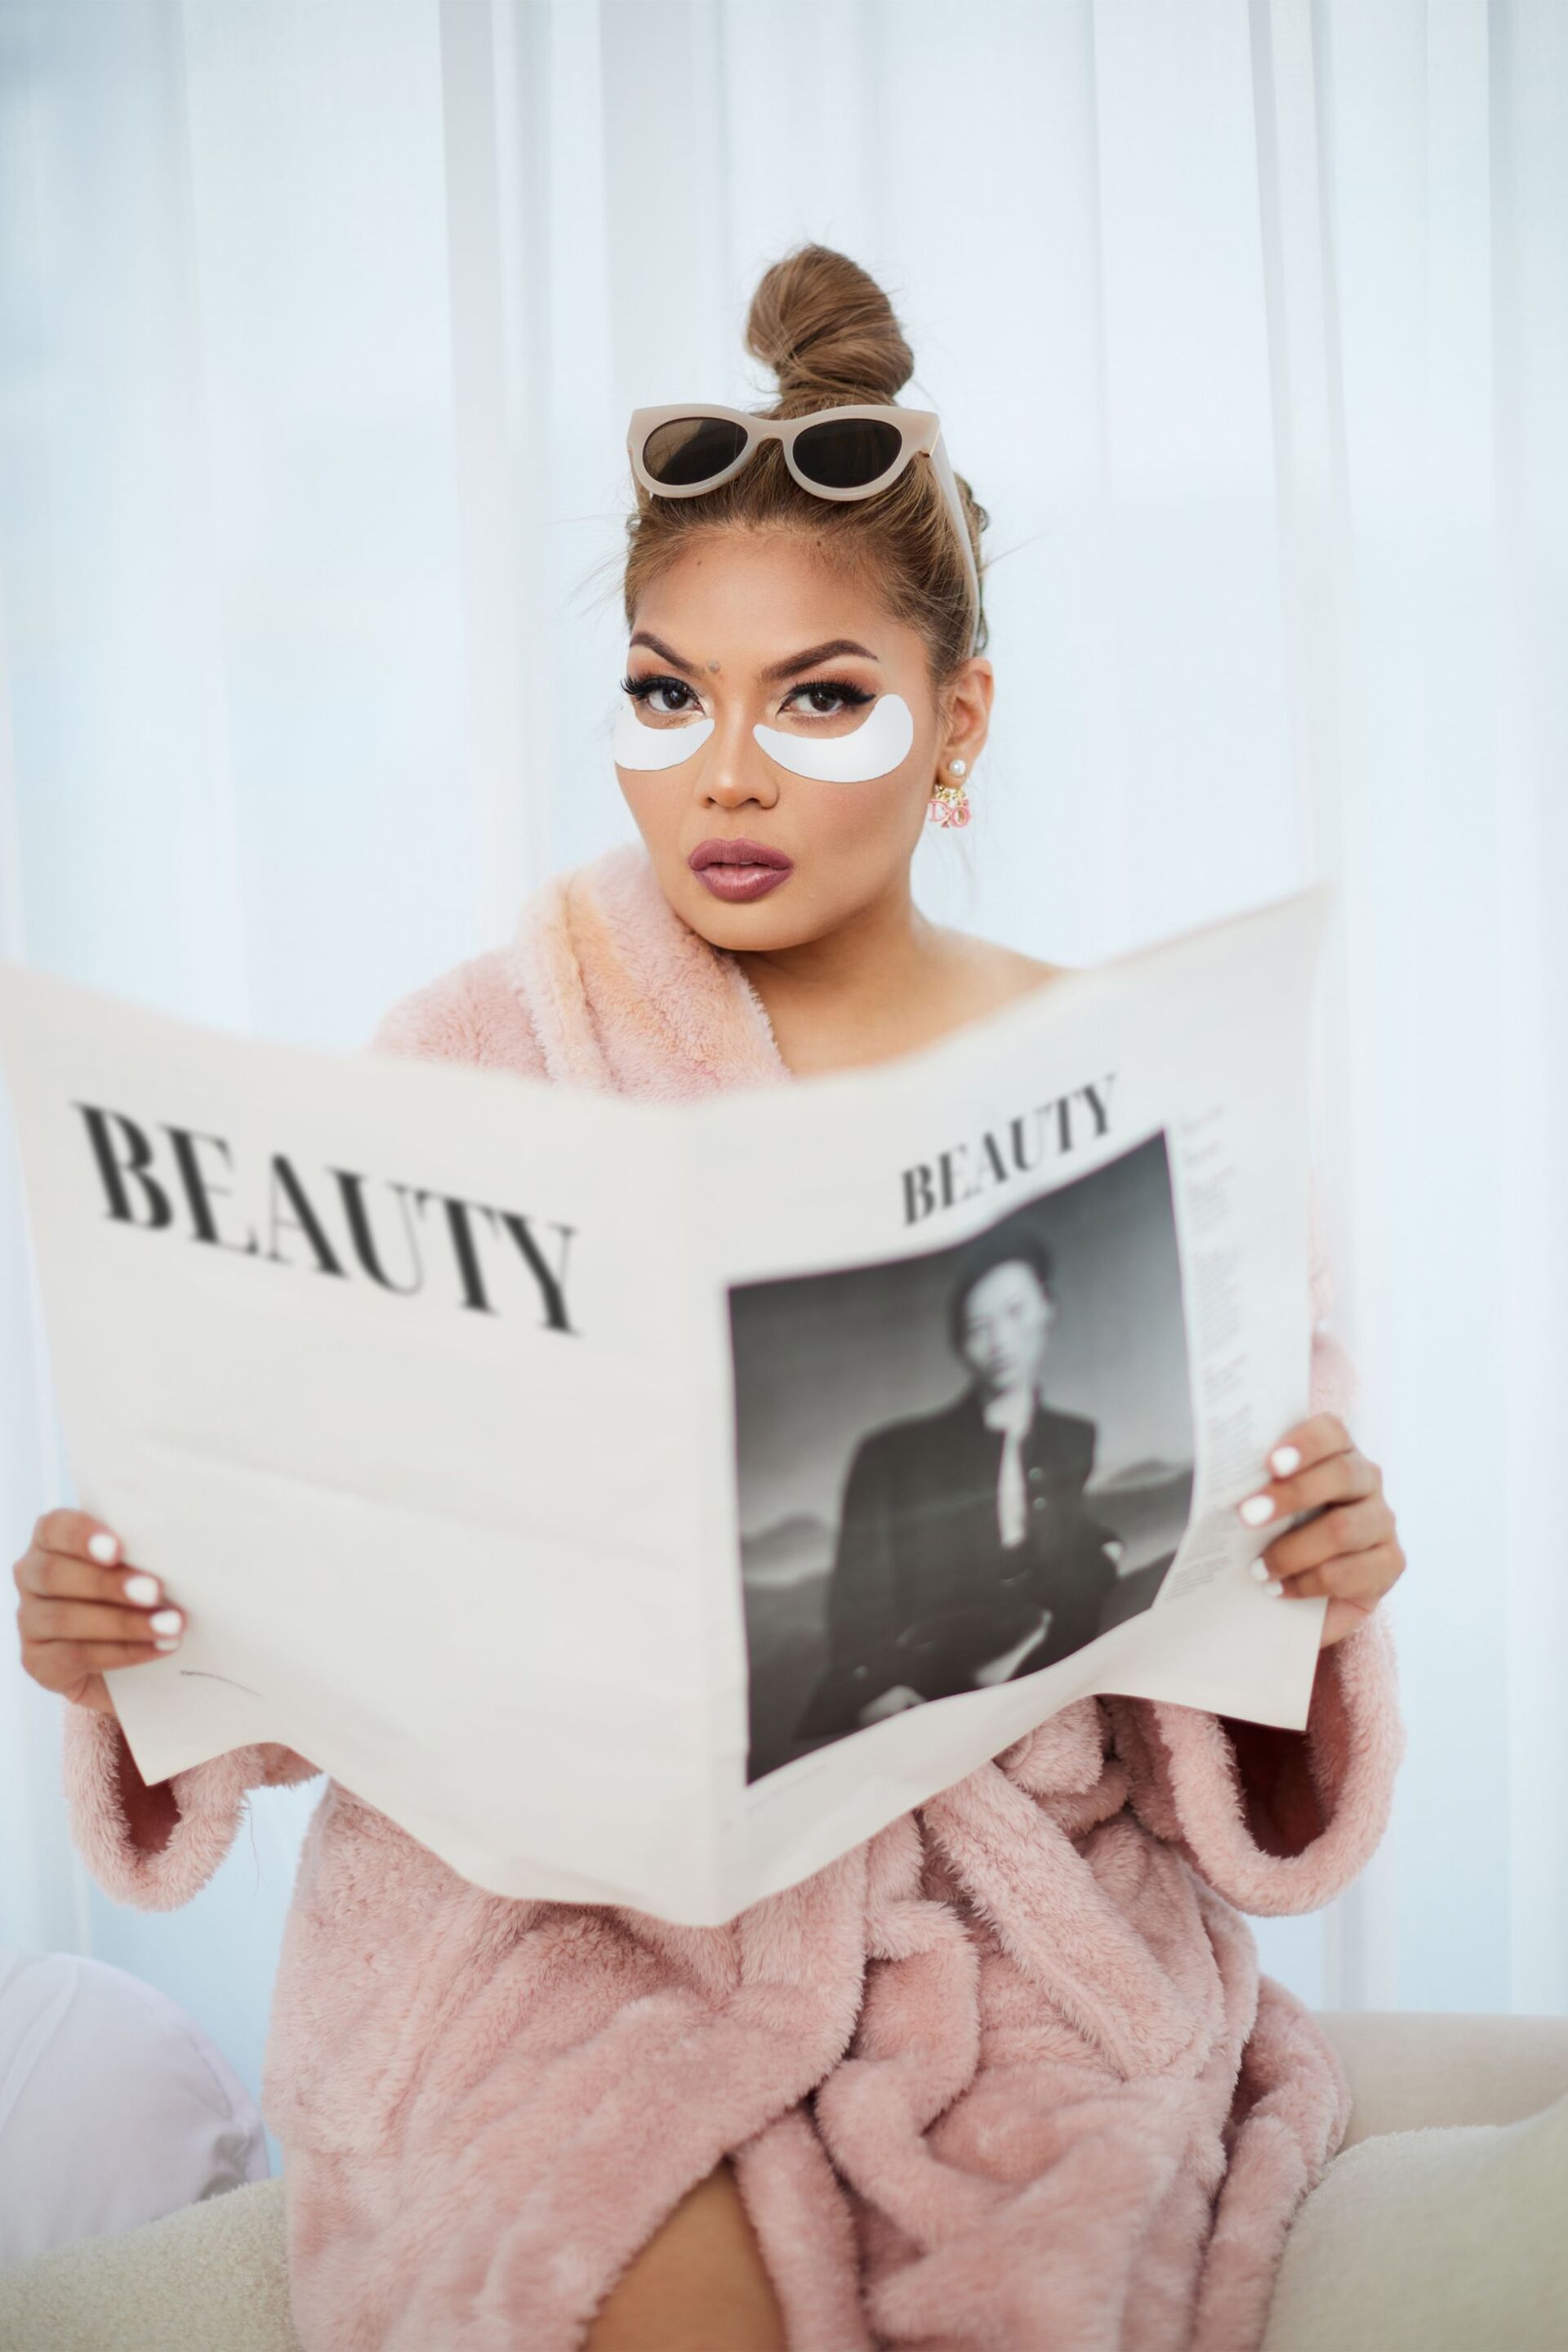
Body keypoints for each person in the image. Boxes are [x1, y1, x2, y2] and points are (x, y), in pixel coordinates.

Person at [11, 243, 1407, 2352]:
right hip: (547, 1931)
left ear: (958, 721)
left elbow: (1224, 1661)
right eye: (669, 694)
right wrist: (143, 1636)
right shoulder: (477, 1054)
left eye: (818, 698)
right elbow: (323, 1536)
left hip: (1007, 1943)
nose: (722, 771)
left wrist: (1321, 1580)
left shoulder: (1136, 1095)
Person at [796, 1220, 1125, 1744]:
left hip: (1049, 1669)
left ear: (1047, 1308)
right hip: (930, 1687)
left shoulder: (1073, 1437)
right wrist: (875, 1686)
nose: (1000, 1341)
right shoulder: (893, 1456)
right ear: (958, 1343)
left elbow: (1058, 1523)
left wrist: (1104, 1546)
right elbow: (861, 1588)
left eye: (1015, 1312)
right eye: (978, 1327)